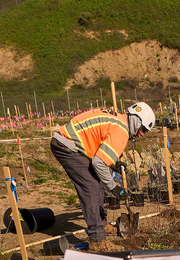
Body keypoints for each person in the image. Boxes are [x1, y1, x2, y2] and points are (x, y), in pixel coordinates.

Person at [50, 103, 155, 251]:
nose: (142, 134)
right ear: (137, 120)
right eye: (143, 129)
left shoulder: (118, 120)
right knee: (91, 187)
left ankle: (102, 225)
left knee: (97, 181)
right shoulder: (121, 132)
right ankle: (97, 240)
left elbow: (97, 146)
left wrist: (112, 164)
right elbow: (99, 163)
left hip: (74, 144)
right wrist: (114, 187)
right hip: (67, 146)